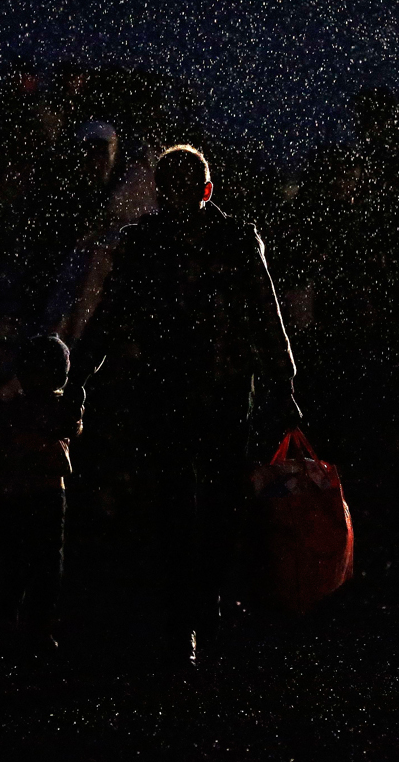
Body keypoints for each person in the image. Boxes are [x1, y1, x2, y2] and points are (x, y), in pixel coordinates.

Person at [73, 144, 299, 666]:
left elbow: (109, 318)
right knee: (206, 503)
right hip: (208, 390)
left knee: (188, 503)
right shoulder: (232, 241)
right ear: (208, 190)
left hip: (174, 389)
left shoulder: (147, 242)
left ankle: (190, 617)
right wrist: (283, 387)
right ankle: (200, 611)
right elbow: (267, 321)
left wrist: (79, 377)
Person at [0, 334, 84, 656]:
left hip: (27, 496)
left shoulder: (26, 410)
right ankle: (28, 628)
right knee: (35, 566)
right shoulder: (45, 409)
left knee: (27, 566)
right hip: (41, 496)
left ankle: (20, 627)